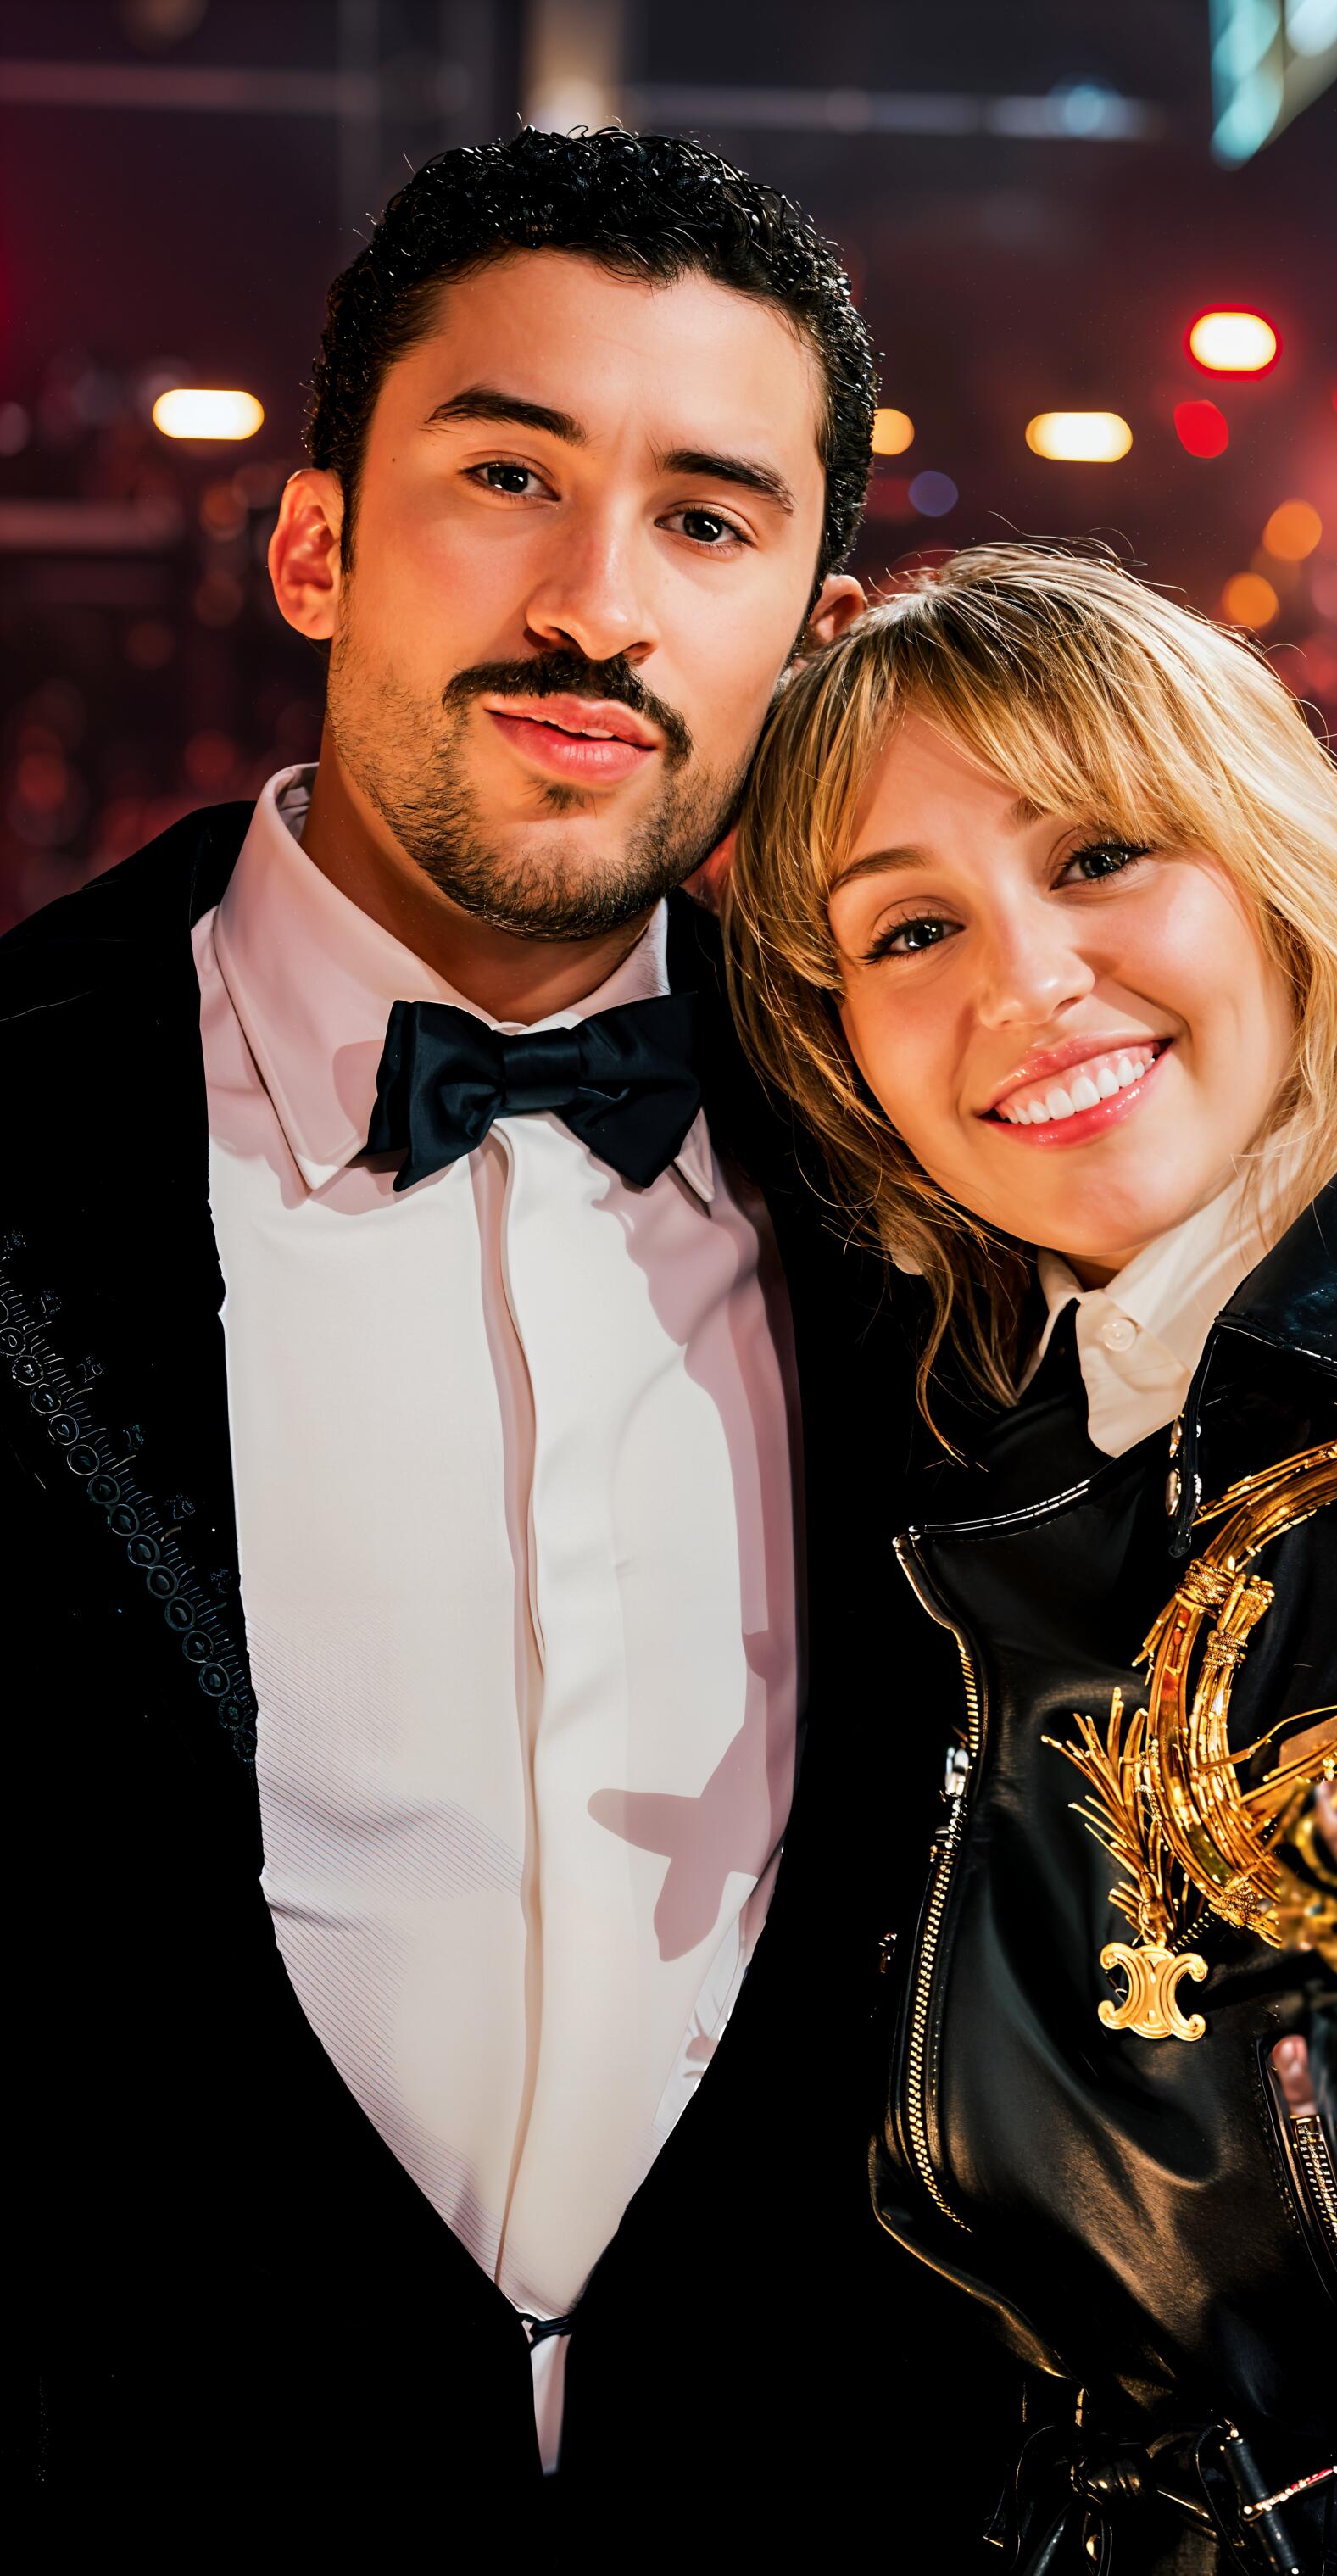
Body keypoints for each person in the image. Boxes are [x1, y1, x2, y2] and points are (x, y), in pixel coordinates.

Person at [3, 130, 1012, 2555]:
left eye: (706, 517)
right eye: (509, 475)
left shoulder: (956, 1187)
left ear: (812, 615)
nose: (597, 604)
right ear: (319, 536)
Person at [725, 544, 1337, 2573]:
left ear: (1277, 862)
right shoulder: (982, 1495)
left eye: (1103, 855)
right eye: (909, 929)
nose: (1021, 982)